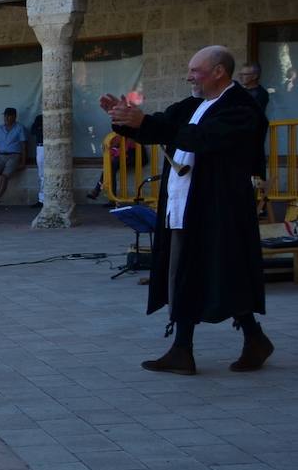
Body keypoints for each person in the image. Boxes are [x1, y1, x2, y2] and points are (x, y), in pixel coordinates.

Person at [103, 45, 272, 375]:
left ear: (218, 72)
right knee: (190, 270)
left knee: (222, 272)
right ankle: (198, 347)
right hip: (184, 204)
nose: (189, 76)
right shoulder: (193, 104)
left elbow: (202, 138)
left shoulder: (242, 108)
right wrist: (124, 120)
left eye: (195, 70)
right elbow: (160, 126)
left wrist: (145, 122)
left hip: (219, 208)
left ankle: (240, 341)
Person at [0, 108, 28, 209]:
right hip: (0, 155)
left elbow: (24, 145)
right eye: (5, 115)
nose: (6, 118)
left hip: (14, 155)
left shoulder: (20, 128)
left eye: (9, 115)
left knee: (4, 177)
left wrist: (23, 162)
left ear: (14, 117)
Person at [30, 113, 46, 206]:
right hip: (41, 147)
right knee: (42, 174)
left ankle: (47, 199)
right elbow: (34, 131)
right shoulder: (39, 118)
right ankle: (42, 199)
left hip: (51, 148)